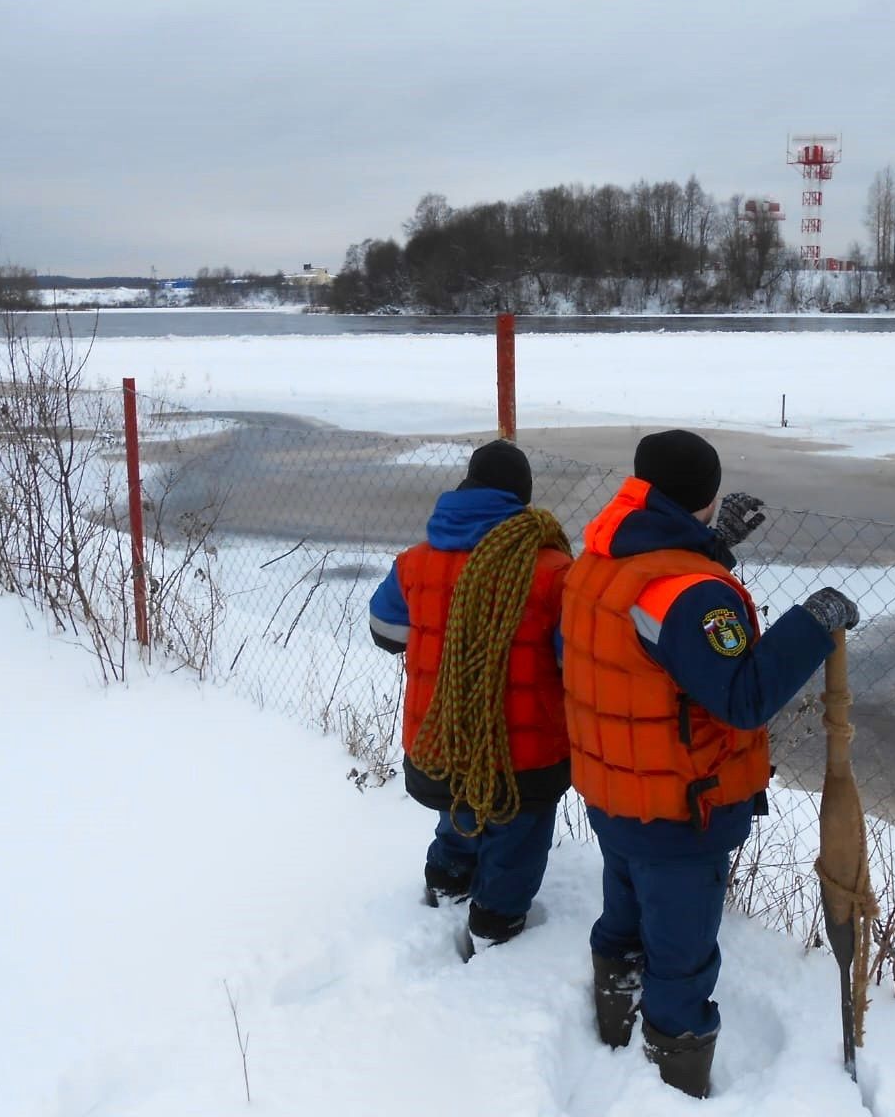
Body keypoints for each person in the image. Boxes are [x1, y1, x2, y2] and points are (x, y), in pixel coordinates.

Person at [559, 429, 859, 1097]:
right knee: (681, 950)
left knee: (624, 909)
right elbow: (742, 697)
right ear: (705, 496)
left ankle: (614, 1014)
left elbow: (645, 635)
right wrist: (813, 622)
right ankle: (673, 1075)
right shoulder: (693, 595)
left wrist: (709, 546)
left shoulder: (600, 558)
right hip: (677, 809)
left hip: (613, 789)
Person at [368, 439, 573, 956]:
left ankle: (448, 881)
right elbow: (575, 661)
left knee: (460, 809)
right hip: (521, 760)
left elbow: (385, 629)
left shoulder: (415, 562)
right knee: (515, 837)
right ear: (520, 501)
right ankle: (495, 928)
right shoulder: (550, 571)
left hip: (438, 745)